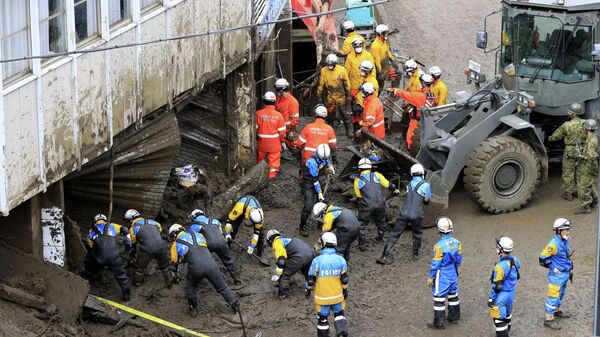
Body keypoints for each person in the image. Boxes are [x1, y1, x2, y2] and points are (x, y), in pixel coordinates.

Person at [168, 224, 239, 318]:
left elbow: (174, 262)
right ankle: (235, 305)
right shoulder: (199, 235)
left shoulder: (175, 244)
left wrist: (175, 275)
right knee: (223, 287)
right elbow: (200, 249)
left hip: (195, 268)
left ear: (174, 234)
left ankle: (193, 309)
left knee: (191, 286)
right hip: (211, 264)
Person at [378, 163, 431, 262]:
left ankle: (384, 255)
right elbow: (427, 201)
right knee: (417, 234)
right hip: (416, 215)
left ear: (412, 174)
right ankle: (415, 255)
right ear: (422, 174)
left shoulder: (409, 185)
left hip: (404, 213)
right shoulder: (426, 185)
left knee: (394, 234)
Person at [306, 232, 349, 337]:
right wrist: (345, 290)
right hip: (337, 296)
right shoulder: (341, 259)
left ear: (323, 243)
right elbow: (344, 279)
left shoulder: (317, 261)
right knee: (339, 315)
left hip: (322, 298)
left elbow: (311, 279)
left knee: (322, 318)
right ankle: (342, 333)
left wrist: (307, 289)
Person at [82, 214, 131, 301]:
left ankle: (83, 283)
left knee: (89, 271)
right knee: (122, 276)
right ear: (105, 220)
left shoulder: (91, 231)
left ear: (95, 221)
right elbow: (125, 229)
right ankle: (126, 296)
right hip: (114, 256)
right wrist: (128, 244)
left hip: (99, 258)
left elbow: (90, 245)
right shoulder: (112, 226)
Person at [354, 158, 399, 251]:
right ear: (370, 168)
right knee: (381, 221)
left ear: (359, 169)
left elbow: (359, 197)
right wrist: (394, 190)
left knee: (361, 225)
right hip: (381, 203)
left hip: (367, 205)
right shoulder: (377, 175)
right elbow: (389, 185)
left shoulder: (357, 181)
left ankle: (362, 244)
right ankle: (380, 238)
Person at [426, 217, 462, 329]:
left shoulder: (438, 246)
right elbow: (459, 259)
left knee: (439, 298)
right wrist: (455, 269)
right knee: (453, 295)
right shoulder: (457, 242)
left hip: (442, 273)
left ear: (439, 229)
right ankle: (454, 318)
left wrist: (431, 276)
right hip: (453, 271)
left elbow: (436, 263)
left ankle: (439, 323)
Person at [539, 218, 574, 330]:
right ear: (559, 231)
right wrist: (552, 268)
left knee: (561, 293)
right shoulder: (553, 244)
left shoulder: (564, 240)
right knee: (553, 296)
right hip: (557, 276)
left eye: (568, 229)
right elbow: (542, 258)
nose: (568, 232)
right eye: (566, 230)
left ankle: (556, 311)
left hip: (564, 274)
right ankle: (548, 319)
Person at [387, 73, 436, 152]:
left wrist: (395, 90)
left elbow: (406, 95)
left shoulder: (419, 96)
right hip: (425, 121)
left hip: (415, 123)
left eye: (420, 82)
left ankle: (410, 152)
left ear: (423, 84)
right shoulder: (431, 95)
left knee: (410, 140)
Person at [189, 209, 239, 284]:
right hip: (222, 242)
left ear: (194, 217)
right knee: (228, 261)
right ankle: (236, 279)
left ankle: (200, 280)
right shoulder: (215, 221)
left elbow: (194, 240)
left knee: (202, 261)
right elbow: (221, 232)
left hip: (209, 244)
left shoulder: (194, 226)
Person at [548, 103, 586, 201]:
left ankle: (568, 194)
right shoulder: (585, 123)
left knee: (568, 172)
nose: (568, 113)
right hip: (581, 150)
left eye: (569, 111)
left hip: (570, 150)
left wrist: (550, 138)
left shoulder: (567, 125)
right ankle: (579, 192)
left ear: (573, 114)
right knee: (580, 172)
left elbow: (556, 136)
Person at [124, 209, 172, 287]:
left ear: (130, 219)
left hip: (148, 249)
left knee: (139, 268)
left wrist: (132, 253)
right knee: (165, 267)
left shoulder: (133, 228)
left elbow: (133, 242)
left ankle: (137, 283)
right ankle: (169, 282)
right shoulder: (153, 222)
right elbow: (159, 229)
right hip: (161, 245)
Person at [266, 229, 316, 299]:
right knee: (306, 271)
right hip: (311, 253)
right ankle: (313, 286)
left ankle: (283, 294)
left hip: (300, 256)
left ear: (269, 240)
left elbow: (281, 261)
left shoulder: (276, 242)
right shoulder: (286, 240)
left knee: (285, 274)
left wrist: (278, 275)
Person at [488, 236, 521, 337]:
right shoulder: (516, 260)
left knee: (498, 319)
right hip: (511, 294)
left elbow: (496, 286)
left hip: (501, 295)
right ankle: (507, 332)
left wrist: (490, 298)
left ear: (500, 250)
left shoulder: (499, 267)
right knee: (507, 315)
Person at [300, 144, 334, 236]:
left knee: (325, 203)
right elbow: (314, 181)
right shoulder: (312, 163)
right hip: (310, 182)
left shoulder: (324, 156)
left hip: (320, 179)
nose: (324, 160)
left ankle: (320, 222)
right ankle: (302, 226)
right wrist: (319, 193)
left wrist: (330, 166)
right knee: (308, 205)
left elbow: (327, 160)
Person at [317, 54, 353, 136]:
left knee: (345, 115)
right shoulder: (323, 70)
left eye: (331, 65)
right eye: (328, 65)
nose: (330, 66)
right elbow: (321, 84)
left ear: (335, 63)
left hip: (341, 97)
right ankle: (331, 132)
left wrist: (348, 95)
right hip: (330, 97)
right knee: (330, 116)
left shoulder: (342, 70)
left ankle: (348, 130)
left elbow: (346, 84)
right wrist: (319, 95)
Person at [256, 91, 287, 179]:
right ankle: (271, 178)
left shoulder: (258, 114)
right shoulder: (279, 116)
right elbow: (282, 133)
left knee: (260, 160)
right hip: (274, 144)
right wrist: (282, 141)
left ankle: (259, 177)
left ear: (264, 101)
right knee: (274, 163)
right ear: (274, 101)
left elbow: (255, 129)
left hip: (262, 143)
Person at [574, 119, 598, 214]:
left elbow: (592, 156)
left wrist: (582, 156)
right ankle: (595, 199)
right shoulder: (593, 137)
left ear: (587, 130)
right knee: (589, 183)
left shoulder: (592, 141)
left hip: (588, 165)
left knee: (583, 186)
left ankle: (585, 206)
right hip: (590, 165)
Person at [370, 24, 393, 89]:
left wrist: (391, 59)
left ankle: (393, 93)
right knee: (379, 85)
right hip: (379, 69)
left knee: (397, 74)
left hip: (385, 66)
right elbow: (377, 61)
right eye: (385, 33)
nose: (386, 34)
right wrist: (380, 72)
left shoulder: (383, 41)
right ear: (380, 34)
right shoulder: (375, 46)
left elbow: (387, 50)